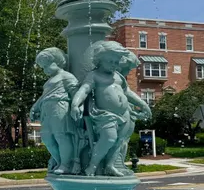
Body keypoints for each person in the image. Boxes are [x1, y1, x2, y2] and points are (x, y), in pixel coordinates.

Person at [70, 41, 151, 177]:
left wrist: (143, 104)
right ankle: (92, 166)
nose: (114, 65)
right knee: (109, 138)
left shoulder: (117, 76)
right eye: (110, 61)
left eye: (116, 62)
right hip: (105, 114)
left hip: (123, 113)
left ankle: (110, 166)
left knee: (118, 141)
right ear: (99, 60)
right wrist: (75, 104)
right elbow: (84, 90)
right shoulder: (94, 75)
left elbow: (128, 93)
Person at [30, 48, 79, 175]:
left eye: (46, 65)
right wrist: (35, 106)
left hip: (60, 107)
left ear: (57, 61)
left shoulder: (66, 76)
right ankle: (59, 161)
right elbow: (44, 96)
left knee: (61, 136)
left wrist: (76, 106)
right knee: (46, 138)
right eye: (42, 67)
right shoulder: (49, 81)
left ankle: (65, 164)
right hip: (47, 110)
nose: (45, 70)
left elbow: (75, 92)